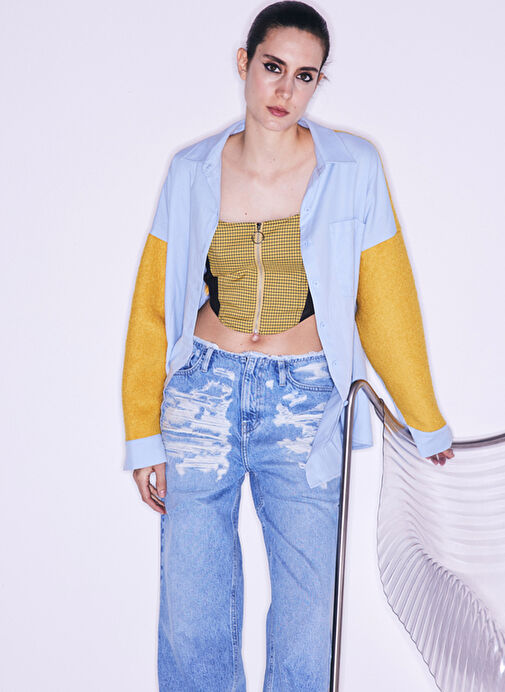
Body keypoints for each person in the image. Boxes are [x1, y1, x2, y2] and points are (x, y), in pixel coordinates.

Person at [121, 2, 454, 689]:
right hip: (201, 398)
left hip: (307, 404)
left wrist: (425, 421)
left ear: (317, 82)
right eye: (272, 67)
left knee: (308, 619)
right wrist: (142, 432)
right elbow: (152, 308)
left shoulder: (353, 167)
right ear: (244, 63)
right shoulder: (190, 170)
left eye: (305, 76)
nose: (285, 90)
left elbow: (385, 305)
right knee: (192, 616)